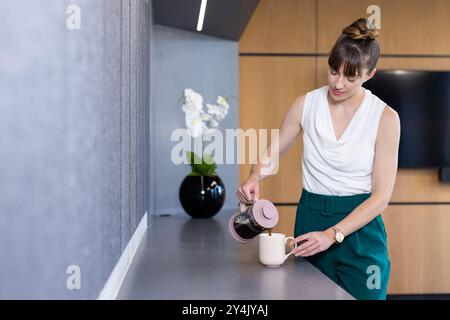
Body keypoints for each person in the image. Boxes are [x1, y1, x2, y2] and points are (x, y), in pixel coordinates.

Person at [236, 18, 401, 300]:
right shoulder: (305, 104)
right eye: (334, 71)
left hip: (361, 230)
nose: (338, 83)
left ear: (370, 74)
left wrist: (333, 234)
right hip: (311, 218)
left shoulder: (385, 118)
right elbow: (270, 156)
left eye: (351, 77)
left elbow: (381, 197)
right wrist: (255, 176)